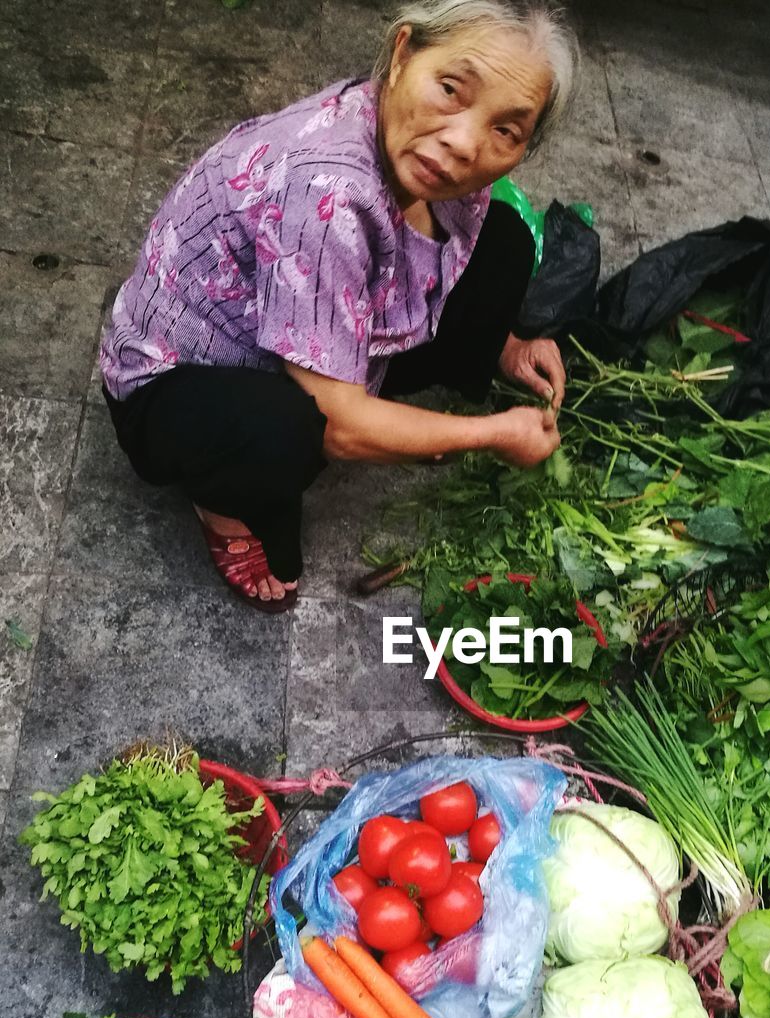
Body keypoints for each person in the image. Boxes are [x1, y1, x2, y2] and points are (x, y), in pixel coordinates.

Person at [99, 0, 579, 613]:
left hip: (298, 317)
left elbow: (455, 246)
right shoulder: (325, 188)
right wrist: (490, 436)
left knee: (505, 241)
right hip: (175, 382)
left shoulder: (424, 153)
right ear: (403, 53)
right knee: (295, 430)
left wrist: (509, 347)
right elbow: (341, 426)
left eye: (506, 129)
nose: (464, 143)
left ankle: (464, 363)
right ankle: (218, 503)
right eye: (452, 89)